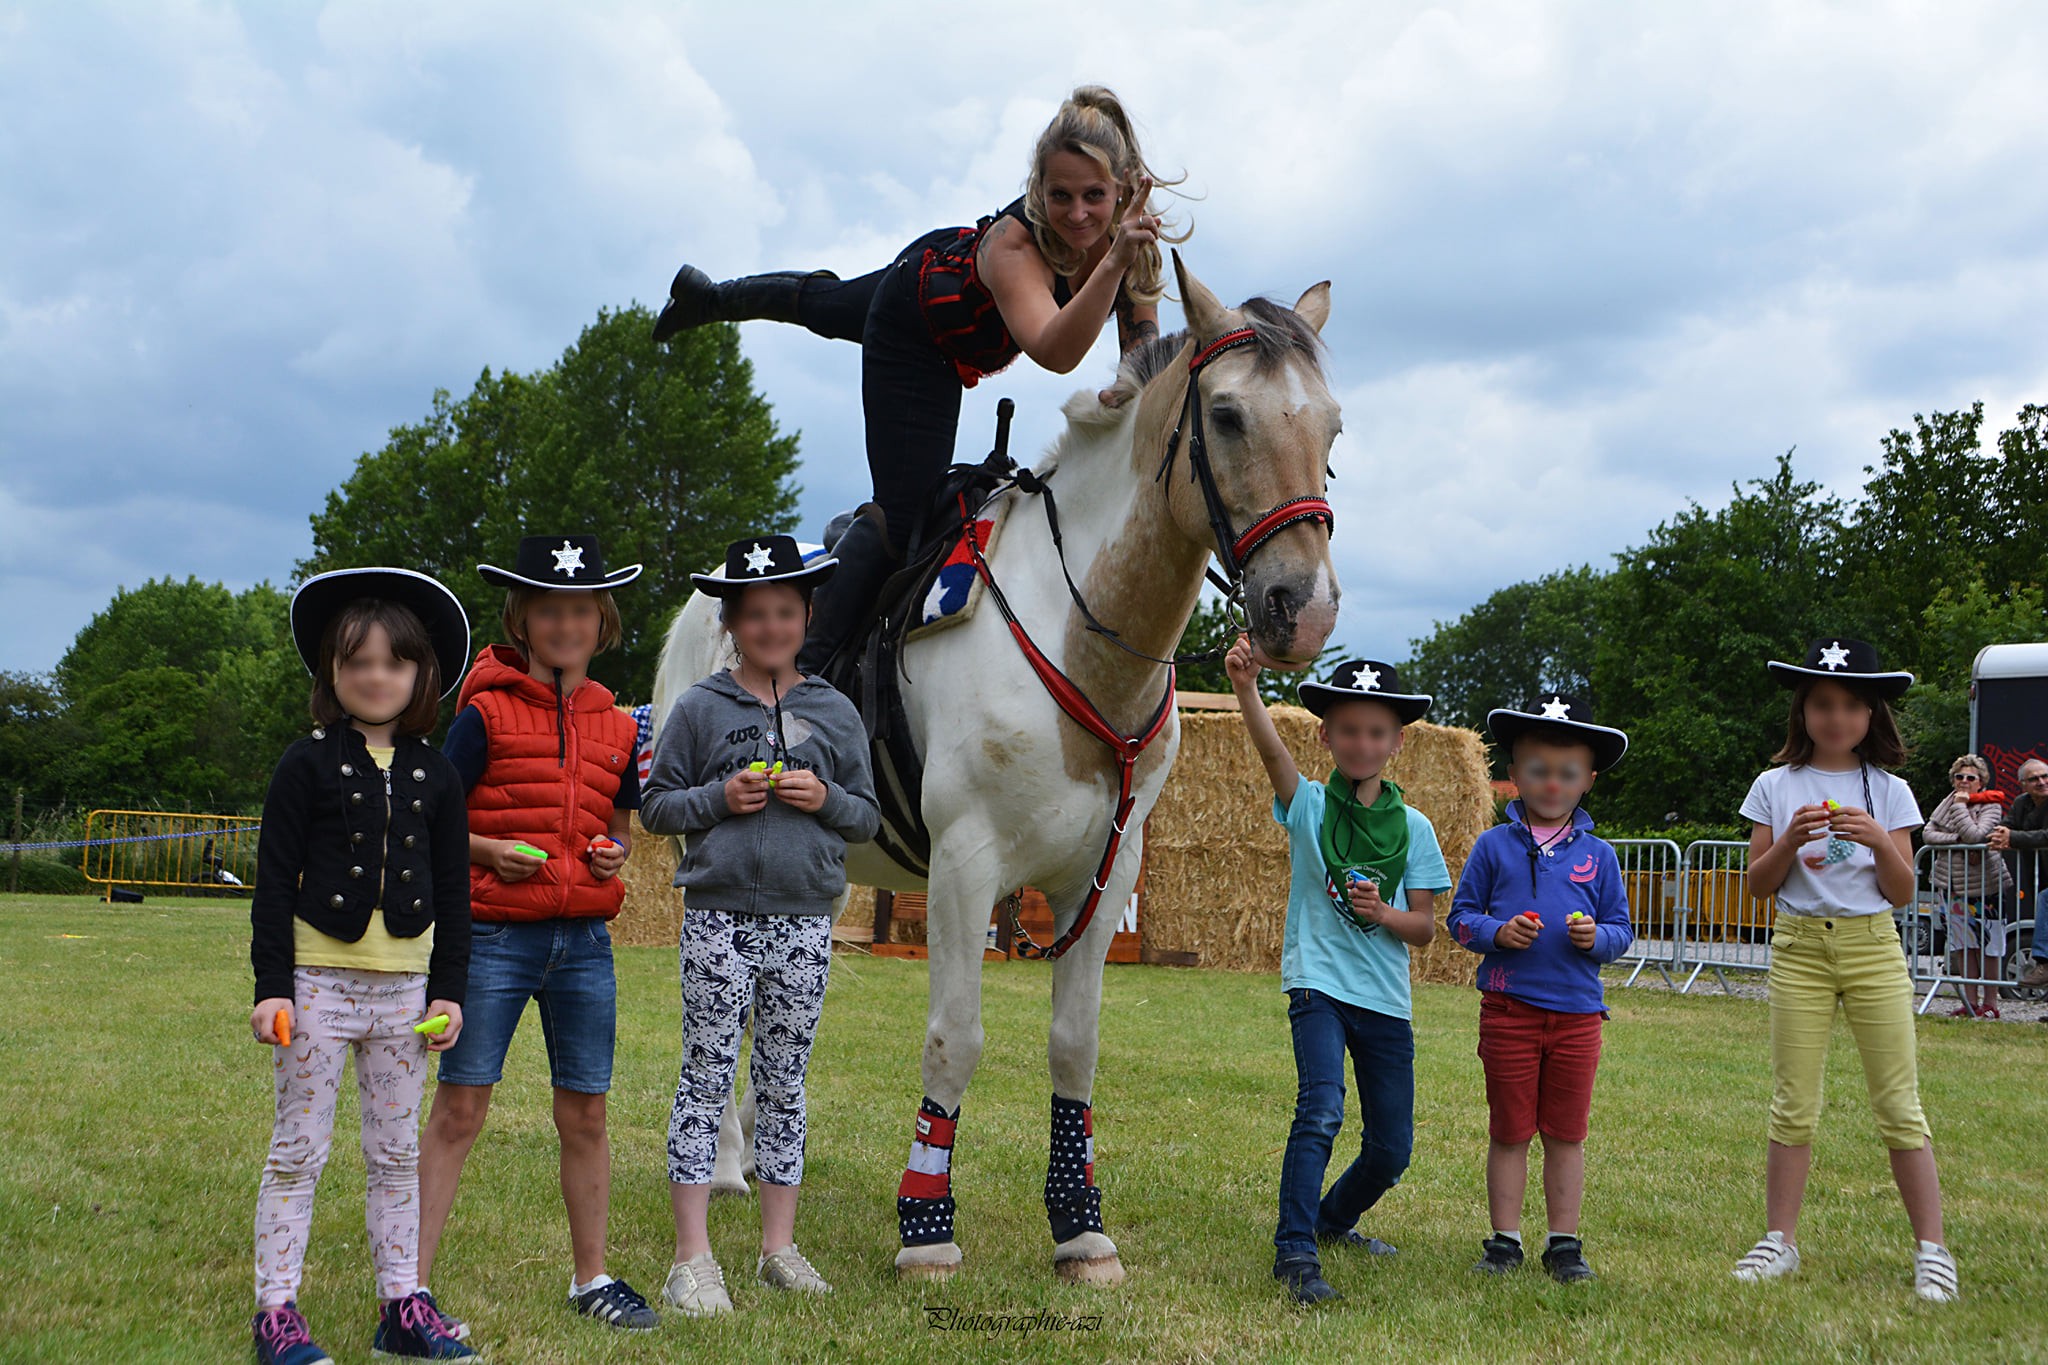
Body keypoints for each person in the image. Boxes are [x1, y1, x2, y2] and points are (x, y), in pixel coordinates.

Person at [650, 85, 1183, 673]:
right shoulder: (1016, 245)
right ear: (1037, 189)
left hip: (935, 274)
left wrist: (1131, 387)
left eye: (1094, 197)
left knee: (823, 304)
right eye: (1060, 195)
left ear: (1126, 188)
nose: (1077, 214)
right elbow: (1054, 350)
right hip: (917, 329)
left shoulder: (1132, 242)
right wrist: (1111, 264)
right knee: (902, 513)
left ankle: (705, 298)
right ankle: (807, 669)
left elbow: (1143, 356)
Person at [415, 535, 659, 1335]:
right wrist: (489, 851)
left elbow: (616, 827)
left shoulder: (619, 725)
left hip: (584, 943)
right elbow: (430, 821)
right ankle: (407, 1286)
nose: (565, 623)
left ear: (601, 619)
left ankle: (591, 1276)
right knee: (461, 1107)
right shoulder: (484, 712)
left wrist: (611, 852)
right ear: (523, 618)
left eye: (580, 610)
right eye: (549, 610)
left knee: (585, 1113)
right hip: (492, 936)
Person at [641, 535, 881, 1316]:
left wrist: (824, 800)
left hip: (804, 925)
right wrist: (719, 798)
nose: (771, 626)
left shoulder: (836, 712)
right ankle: (692, 1257)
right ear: (731, 624)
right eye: (755, 615)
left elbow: (867, 818)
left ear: (807, 615)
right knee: (706, 1077)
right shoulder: (700, 708)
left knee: (785, 1084)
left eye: (785, 611)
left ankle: (779, 1248)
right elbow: (656, 805)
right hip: (716, 920)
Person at [248, 567, 476, 1363]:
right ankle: (276, 1311)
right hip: (316, 988)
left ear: (419, 675)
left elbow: (456, 890)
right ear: (331, 673)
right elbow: (273, 882)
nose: (375, 676)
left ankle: (401, 1306)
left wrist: (449, 993)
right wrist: (271, 987)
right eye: (356, 662)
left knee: (394, 1155)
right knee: (298, 1151)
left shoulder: (437, 772)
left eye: (392, 662)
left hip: (406, 998)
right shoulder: (303, 764)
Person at [1223, 644, 1452, 1306]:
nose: (1362, 742)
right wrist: (1246, 690)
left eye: (1376, 731)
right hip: (1318, 984)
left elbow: (1425, 927)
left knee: (1392, 1150)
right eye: (1348, 729)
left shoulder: (1414, 828)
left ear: (1396, 743)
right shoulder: (1312, 807)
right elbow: (1272, 756)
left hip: (1385, 1000)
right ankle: (1295, 1248)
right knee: (1320, 1108)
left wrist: (1382, 911)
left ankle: (1334, 1219)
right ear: (1326, 735)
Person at [1729, 638, 1957, 1303]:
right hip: (1799, 946)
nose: (1837, 718)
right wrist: (1792, 842)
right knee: (1793, 1100)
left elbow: (1903, 889)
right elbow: (1757, 884)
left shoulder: (1890, 790)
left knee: (1898, 1103)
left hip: (1872, 948)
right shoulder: (1776, 785)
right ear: (1803, 710)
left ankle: (1932, 1249)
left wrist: (1880, 838)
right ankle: (1780, 1239)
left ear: (1872, 714)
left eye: (1852, 705)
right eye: (1823, 704)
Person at [1447, 694, 1633, 1284]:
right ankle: (1504, 1241)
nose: (1552, 783)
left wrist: (1594, 940)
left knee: (1566, 1133)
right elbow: (1460, 919)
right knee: (1509, 1130)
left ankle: (1564, 1243)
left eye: (1568, 773)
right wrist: (1497, 933)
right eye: (1537, 770)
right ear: (1514, 776)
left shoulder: (1600, 856)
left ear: (1589, 781)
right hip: (1508, 1010)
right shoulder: (1492, 846)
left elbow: (1622, 930)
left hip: (1578, 1015)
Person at [1920, 753, 2010, 1018]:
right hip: (1952, 887)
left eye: (1970, 778)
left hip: (1986, 886)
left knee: (1990, 945)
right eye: (1959, 777)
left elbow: (1977, 835)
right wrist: (1956, 837)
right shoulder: (1945, 802)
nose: (1964, 781)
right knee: (1963, 945)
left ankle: (1990, 1001)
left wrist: (1960, 808)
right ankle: (1970, 1002)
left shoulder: (1991, 803)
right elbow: (1928, 834)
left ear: (1981, 782)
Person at [2001, 759, 2048, 992]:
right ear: (2023, 785)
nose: (2042, 782)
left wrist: (2013, 837)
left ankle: (2043, 963)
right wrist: (1999, 835)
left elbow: (2046, 836)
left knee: (2046, 898)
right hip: (2040, 876)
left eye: (2045, 776)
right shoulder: (2022, 804)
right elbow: (2006, 827)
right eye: (2034, 779)